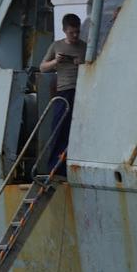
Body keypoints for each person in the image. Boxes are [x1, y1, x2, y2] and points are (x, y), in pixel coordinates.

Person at [39, 12, 87, 174]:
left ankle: (71, 164)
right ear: (64, 30)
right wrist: (56, 61)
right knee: (59, 127)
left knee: (75, 129)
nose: (74, 35)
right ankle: (55, 166)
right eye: (71, 32)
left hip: (81, 90)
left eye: (77, 32)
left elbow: (93, 64)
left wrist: (82, 64)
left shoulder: (84, 46)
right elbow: (42, 67)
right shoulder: (56, 46)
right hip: (63, 90)